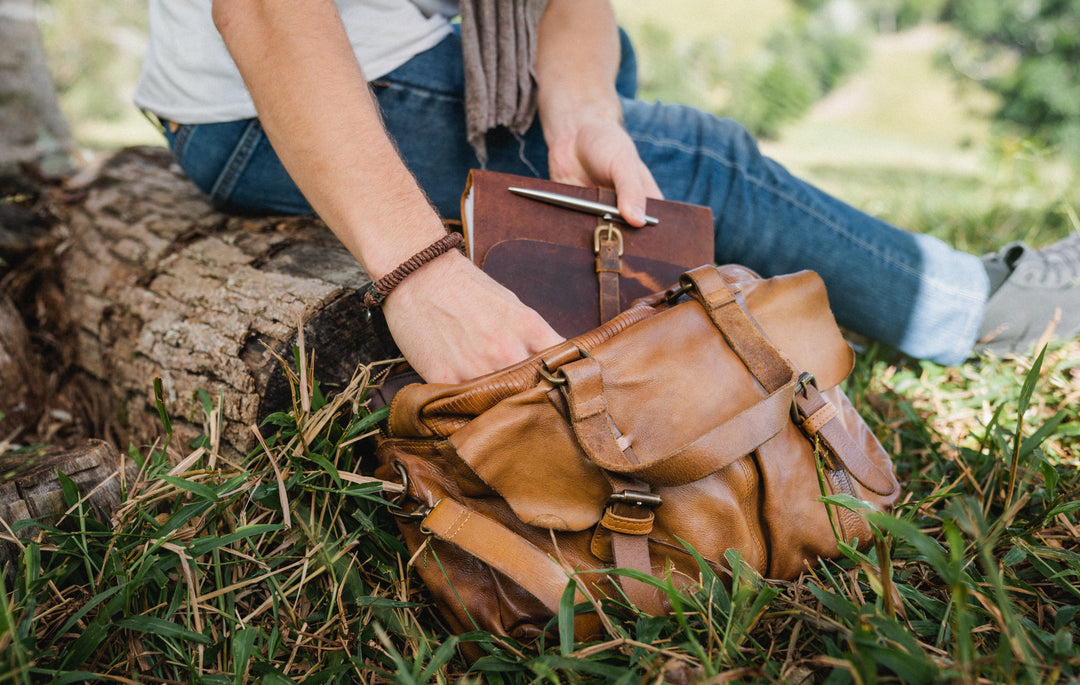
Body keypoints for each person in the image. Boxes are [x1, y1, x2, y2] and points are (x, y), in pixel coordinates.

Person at [133, 0, 1080, 384]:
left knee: (617, 78)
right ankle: (974, 308)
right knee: (702, 162)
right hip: (261, 94)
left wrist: (582, 109)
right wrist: (417, 269)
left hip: (381, 49)